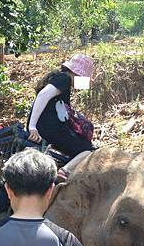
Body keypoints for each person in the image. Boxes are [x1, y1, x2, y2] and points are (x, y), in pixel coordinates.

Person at [27, 53, 95, 182]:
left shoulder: (60, 79)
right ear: (77, 74)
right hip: (50, 129)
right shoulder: (64, 79)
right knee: (87, 149)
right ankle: (64, 172)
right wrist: (32, 126)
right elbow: (43, 95)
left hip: (49, 128)